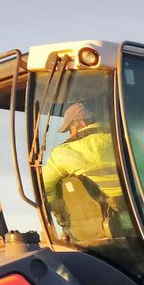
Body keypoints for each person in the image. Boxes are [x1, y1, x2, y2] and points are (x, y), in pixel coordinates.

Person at [42, 102, 126, 242]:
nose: (71, 133)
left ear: (81, 123)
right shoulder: (125, 140)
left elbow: (43, 189)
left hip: (95, 233)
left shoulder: (63, 152)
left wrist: (59, 210)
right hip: (139, 223)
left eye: (70, 129)